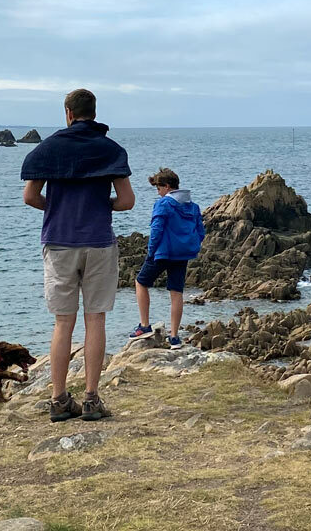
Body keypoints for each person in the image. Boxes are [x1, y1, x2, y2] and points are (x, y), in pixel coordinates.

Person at [21, 88, 134, 423]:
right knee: (95, 319)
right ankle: (91, 399)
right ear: (94, 113)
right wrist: (101, 207)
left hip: (59, 242)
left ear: (68, 112)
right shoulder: (110, 150)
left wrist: (56, 207)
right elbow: (127, 201)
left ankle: (58, 400)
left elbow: (30, 196)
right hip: (98, 241)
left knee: (63, 322)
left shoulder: (50, 149)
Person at [130, 168, 205, 348]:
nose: (158, 192)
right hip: (182, 254)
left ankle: (145, 326)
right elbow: (201, 232)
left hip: (162, 253)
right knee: (176, 292)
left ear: (167, 186)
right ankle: (174, 337)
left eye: (158, 187)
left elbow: (156, 230)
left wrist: (151, 250)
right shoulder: (192, 206)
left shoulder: (163, 204)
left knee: (141, 283)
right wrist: (189, 244)